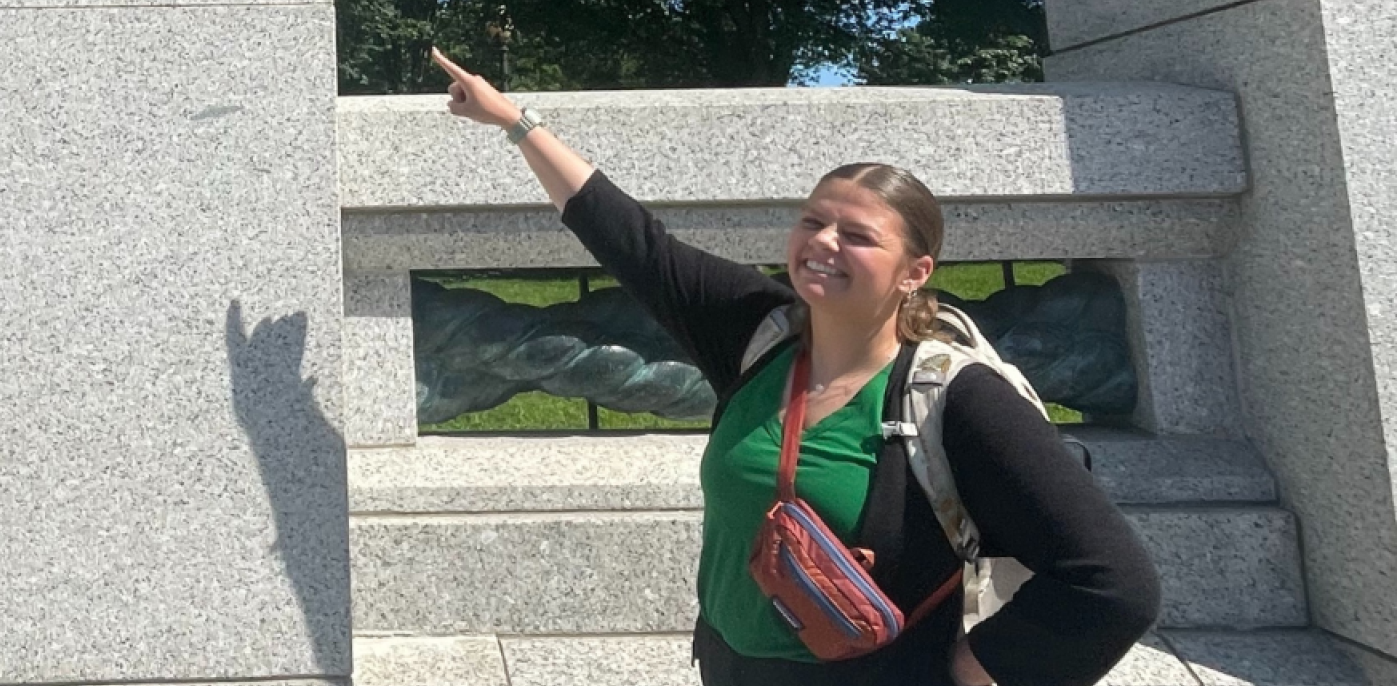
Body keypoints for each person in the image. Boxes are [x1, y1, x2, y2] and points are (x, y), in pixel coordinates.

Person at [431, 47, 1161, 686]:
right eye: (812, 221)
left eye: (857, 235)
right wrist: (513, 122)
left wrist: (984, 668)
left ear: (917, 270)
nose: (823, 243)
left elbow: (1113, 584)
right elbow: (635, 243)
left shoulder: (955, 397)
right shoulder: (761, 333)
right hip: (730, 667)